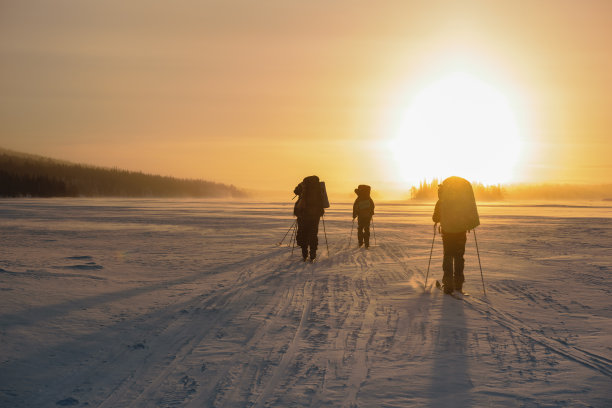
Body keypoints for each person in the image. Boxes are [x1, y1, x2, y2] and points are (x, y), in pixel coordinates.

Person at [432, 177, 480, 294]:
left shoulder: (442, 201)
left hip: (447, 232)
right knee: (459, 257)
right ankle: (458, 285)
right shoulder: (462, 202)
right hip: (460, 232)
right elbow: (469, 213)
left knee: (448, 256)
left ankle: (448, 286)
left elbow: (435, 218)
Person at [293, 175, 325, 262]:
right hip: (315, 215)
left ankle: (304, 253)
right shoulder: (318, 186)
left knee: (303, 232)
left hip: (303, 214)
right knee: (313, 233)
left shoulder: (303, 185)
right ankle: (313, 253)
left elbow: (295, 191)